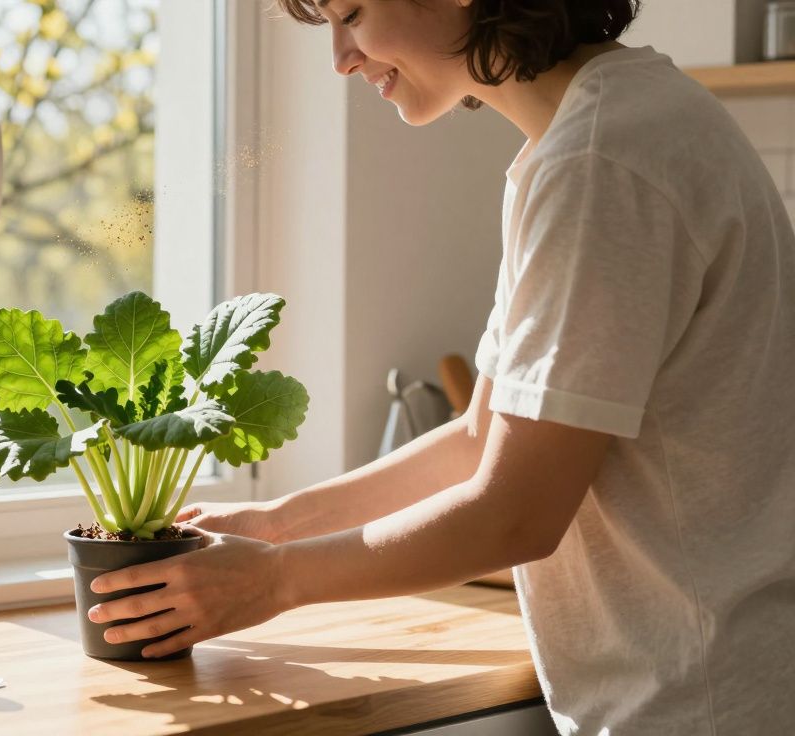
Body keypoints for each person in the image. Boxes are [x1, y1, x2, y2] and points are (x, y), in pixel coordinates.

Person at [86, 1, 795, 732]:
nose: (341, 58)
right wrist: (275, 526)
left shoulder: (600, 161)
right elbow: (478, 437)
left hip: (702, 706)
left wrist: (272, 581)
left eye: (352, 13)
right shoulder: (593, 133)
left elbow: (516, 513)